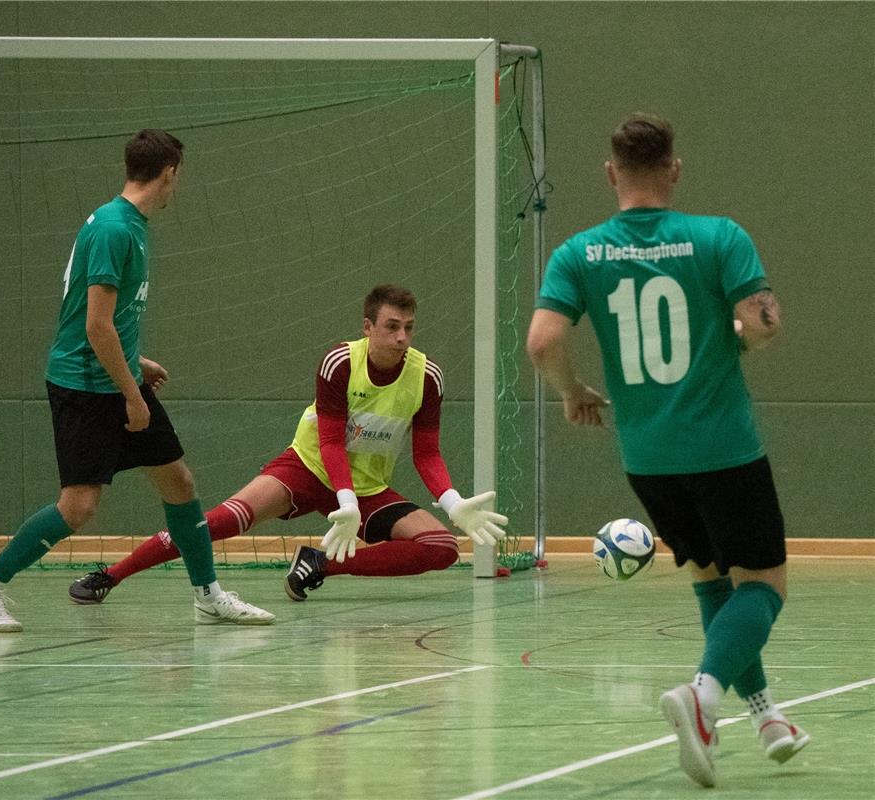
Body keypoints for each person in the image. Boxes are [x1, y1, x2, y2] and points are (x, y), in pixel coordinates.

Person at [526, 113, 809, 787]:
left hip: (647, 456)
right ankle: (703, 697)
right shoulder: (717, 237)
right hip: (722, 445)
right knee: (764, 586)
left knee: (712, 578)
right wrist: (734, 341)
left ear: (610, 173)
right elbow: (761, 325)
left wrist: (573, 391)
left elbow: (541, 343)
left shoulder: (578, 253)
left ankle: (767, 714)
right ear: (674, 169)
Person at [0, 130, 274, 632]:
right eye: (178, 177)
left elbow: (107, 319)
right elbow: (94, 325)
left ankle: (208, 595)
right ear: (169, 172)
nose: (177, 187)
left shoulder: (131, 224)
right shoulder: (113, 228)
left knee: (178, 482)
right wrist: (134, 395)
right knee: (78, 506)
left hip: (113, 372)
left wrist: (136, 361)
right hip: (86, 385)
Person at [67, 283, 508, 605]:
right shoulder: (340, 362)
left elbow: (426, 451)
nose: (402, 338)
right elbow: (332, 441)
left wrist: (451, 503)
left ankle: (320, 563)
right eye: (392, 327)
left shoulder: (427, 376)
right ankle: (112, 575)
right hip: (309, 466)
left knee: (441, 548)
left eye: (409, 328)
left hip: (370, 487)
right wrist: (345, 500)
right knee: (222, 520)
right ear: (368, 326)